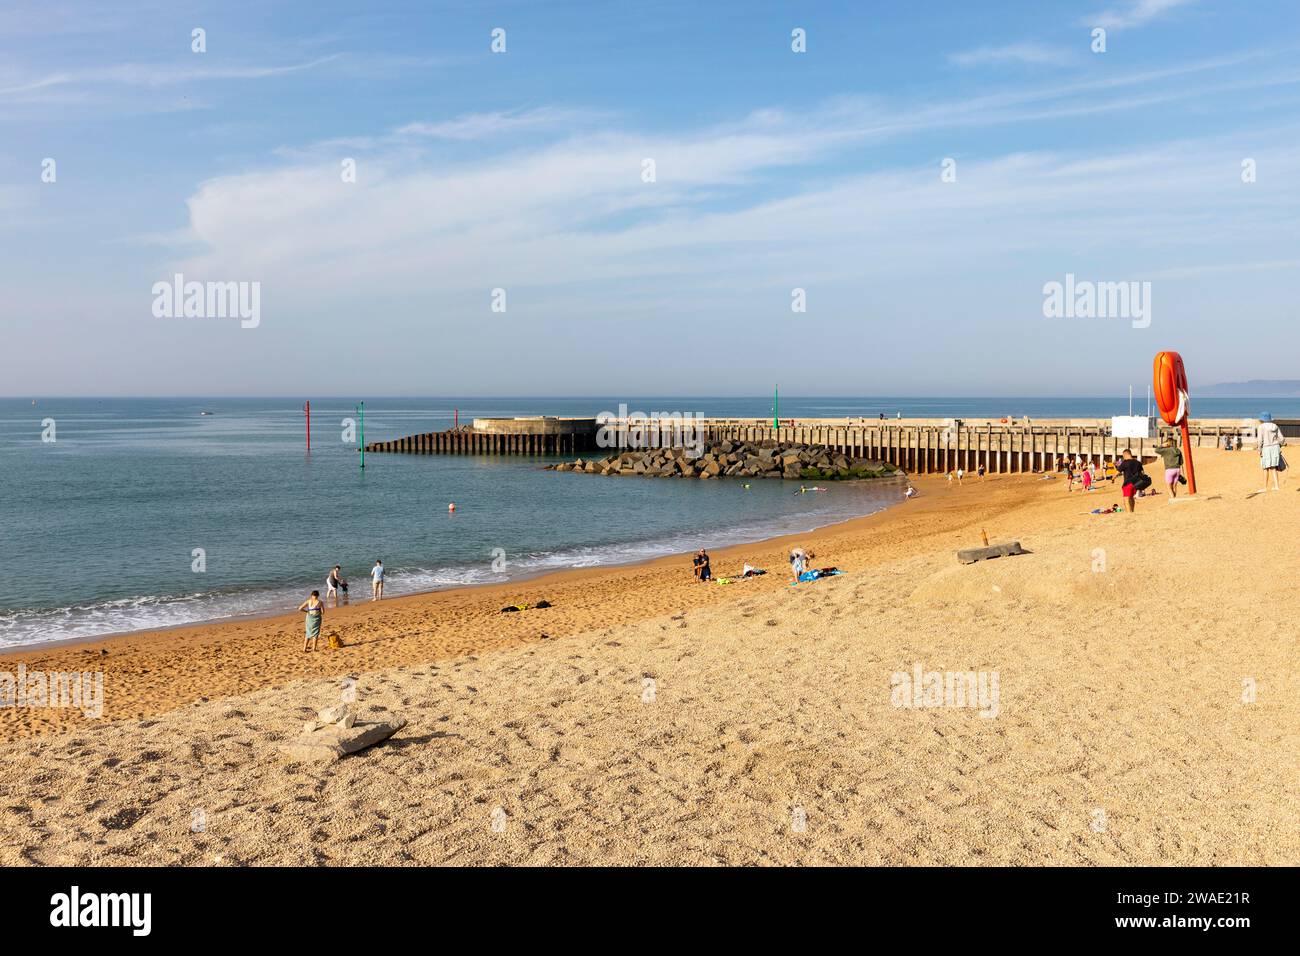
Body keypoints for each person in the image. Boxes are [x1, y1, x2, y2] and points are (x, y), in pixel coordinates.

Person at [1256, 413, 1285, 492]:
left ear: (1262, 419)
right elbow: (1282, 438)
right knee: (1273, 467)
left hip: (1266, 448)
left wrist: (1259, 450)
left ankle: (1265, 488)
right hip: (1275, 447)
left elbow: (1259, 440)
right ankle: (1276, 486)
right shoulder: (1275, 426)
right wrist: (1279, 445)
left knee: (1265, 468)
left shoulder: (1261, 427)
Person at [1116, 449, 1147, 514]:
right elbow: (1142, 473)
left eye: (1123, 456)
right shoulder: (1138, 463)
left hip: (1128, 483)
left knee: (1126, 498)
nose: (1123, 457)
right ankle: (1132, 511)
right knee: (1131, 497)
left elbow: (1117, 472)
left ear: (1126, 454)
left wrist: (1113, 478)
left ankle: (1129, 513)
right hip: (1136, 484)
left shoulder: (1125, 462)